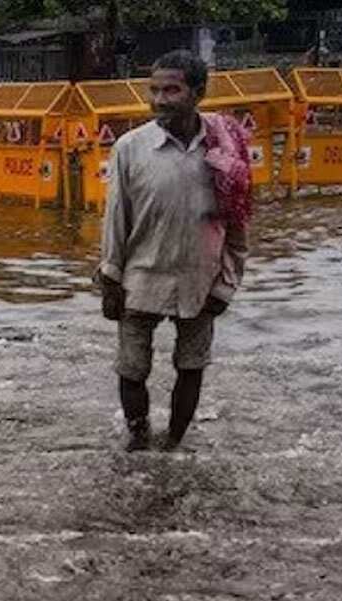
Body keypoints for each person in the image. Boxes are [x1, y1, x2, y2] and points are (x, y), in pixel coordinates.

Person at [99, 50, 251, 451]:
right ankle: (139, 442)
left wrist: (227, 285)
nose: (160, 99)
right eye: (154, 90)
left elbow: (237, 224)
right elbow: (116, 219)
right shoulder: (130, 148)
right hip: (140, 277)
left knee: (191, 367)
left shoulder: (226, 149)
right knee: (131, 370)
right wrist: (109, 279)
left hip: (201, 280)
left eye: (172, 90)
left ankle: (173, 446)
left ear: (198, 93)